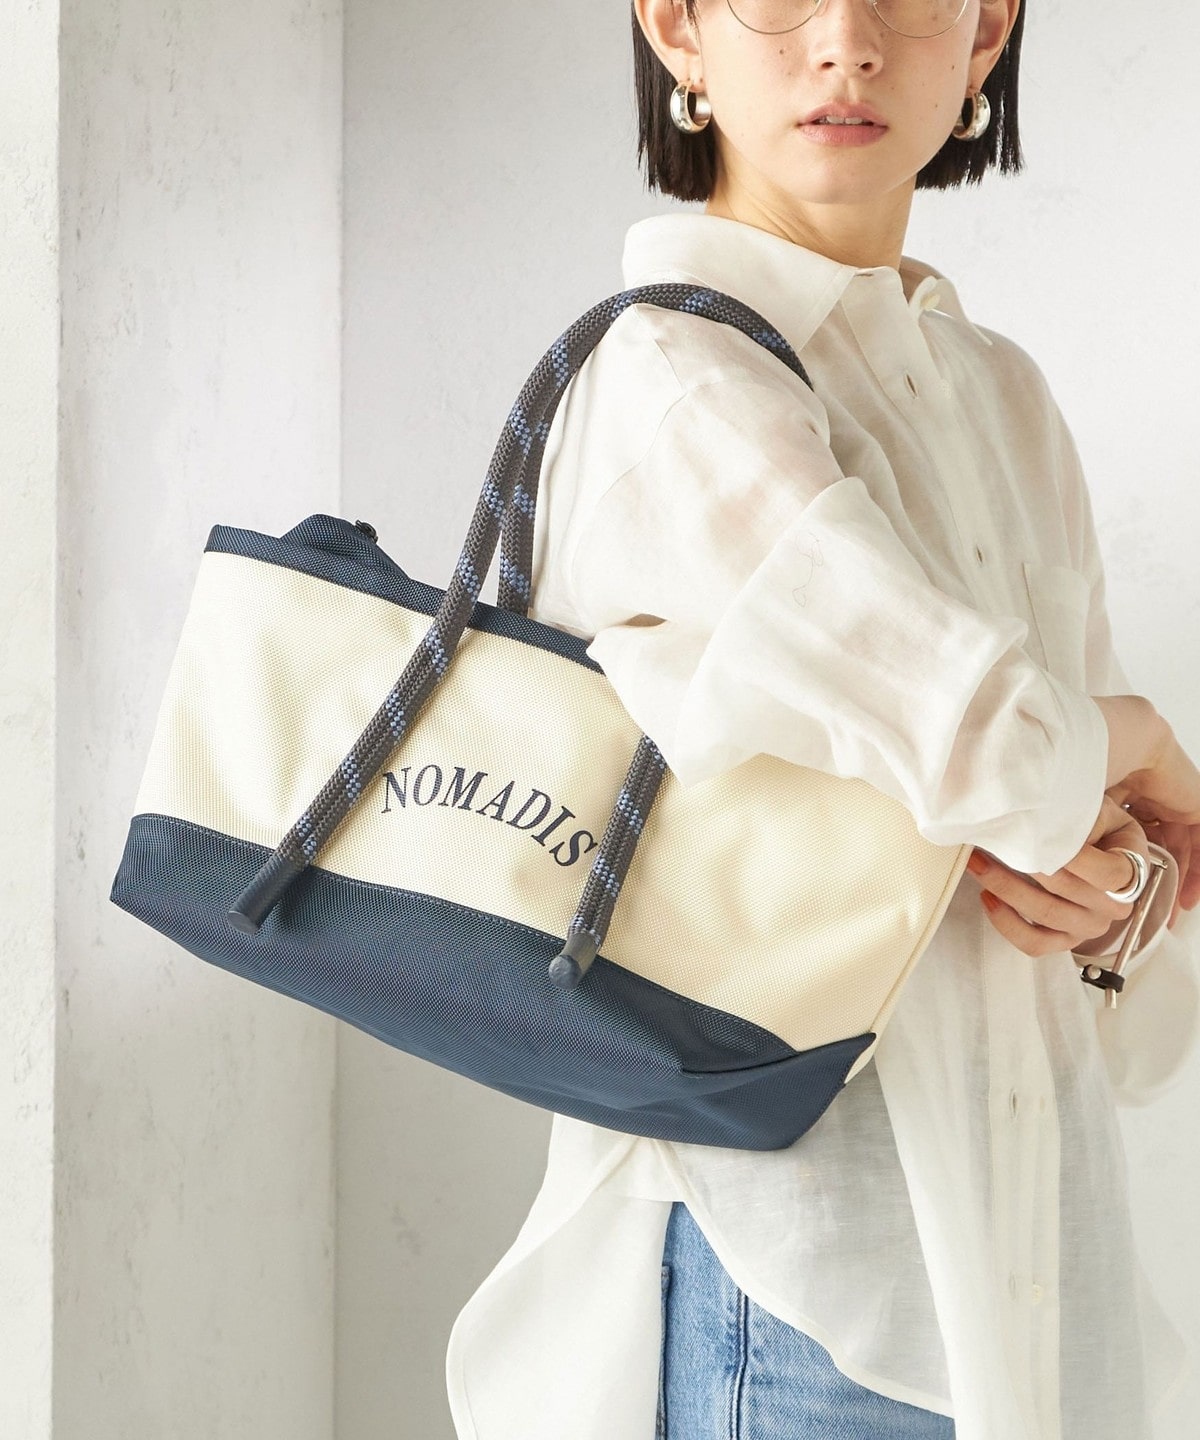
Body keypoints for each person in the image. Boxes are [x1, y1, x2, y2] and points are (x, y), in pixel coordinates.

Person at [445, 2, 1200, 1436]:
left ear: (986, 33)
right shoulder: (670, 379)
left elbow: (1085, 830)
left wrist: (1116, 897)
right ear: (677, 28)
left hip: (1040, 1267)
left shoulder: (1004, 397)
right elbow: (994, 737)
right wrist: (1141, 744)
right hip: (806, 1294)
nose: (845, 41)